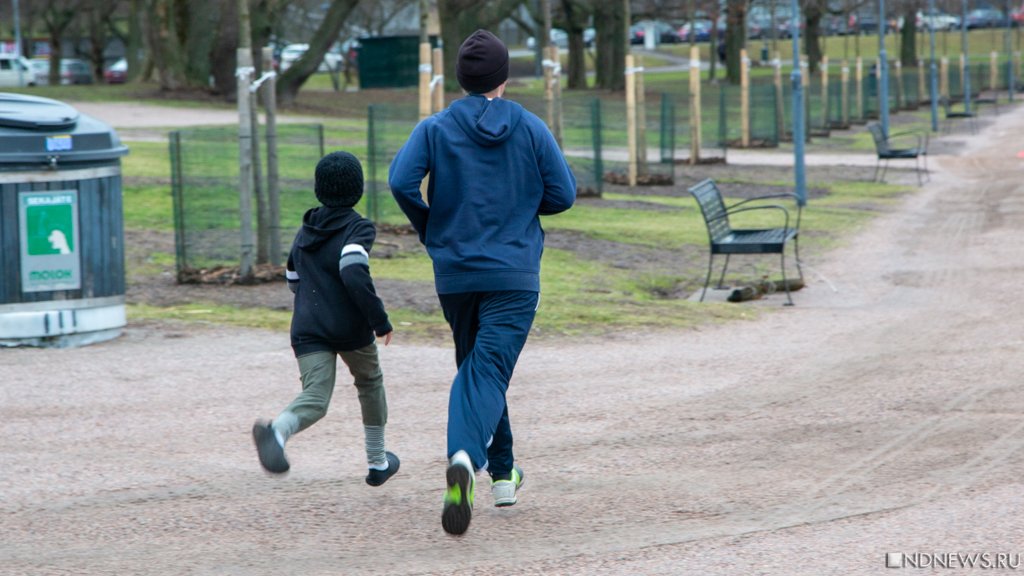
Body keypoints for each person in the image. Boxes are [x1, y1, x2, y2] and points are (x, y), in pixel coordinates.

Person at [388, 29, 577, 536]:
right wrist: (518, 207)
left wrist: (433, 227)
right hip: (513, 274)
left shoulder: (434, 127)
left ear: (460, 78)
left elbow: (400, 182)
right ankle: (464, 459)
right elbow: (563, 195)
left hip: (456, 275)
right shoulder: (531, 127)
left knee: (481, 369)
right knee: (487, 372)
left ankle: (503, 474)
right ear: (505, 77)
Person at [253, 150, 399, 488]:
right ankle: (378, 461)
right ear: (358, 189)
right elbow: (352, 269)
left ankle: (277, 431)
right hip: (349, 328)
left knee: (316, 398)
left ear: (319, 188)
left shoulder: (307, 227)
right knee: (369, 381)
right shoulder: (358, 227)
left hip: (308, 327)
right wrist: (380, 320)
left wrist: (314, 304)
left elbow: (292, 277)